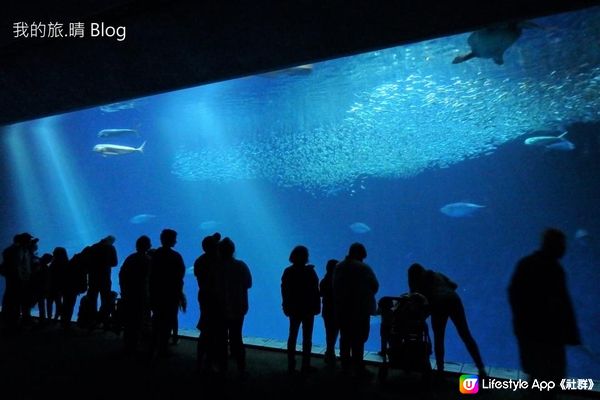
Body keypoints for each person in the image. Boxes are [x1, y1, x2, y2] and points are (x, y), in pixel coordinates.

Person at [508, 228, 580, 397]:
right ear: (553, 245)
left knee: (539, 379)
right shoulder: (554, 270)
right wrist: (571, 333)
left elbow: (514, 295)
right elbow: (564, 304)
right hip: (547, 337)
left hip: (534, 335)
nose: (564, 248)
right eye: (562, 245)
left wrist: (521, 325)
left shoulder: (527, 264)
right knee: (547, 379)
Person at [408, 263, 486, 377]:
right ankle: (481, 368)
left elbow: (419, 304)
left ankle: (440, 371)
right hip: (454, 299)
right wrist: (443, 288)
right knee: (465, 334)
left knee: (439, 338)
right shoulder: (437, 274)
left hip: (438, 303)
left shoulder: (418, 285)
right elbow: (454, 285)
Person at [333, 243, 379, 377]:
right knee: (359, 339)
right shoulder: (364, 267)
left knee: (345, 337)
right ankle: (358, 366)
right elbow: (375, 286)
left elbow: (335, 287)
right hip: (360, 310)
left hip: (342, 309)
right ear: (361, 255)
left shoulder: (339, 266)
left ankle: (345, 366)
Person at [281, 245, 320, 374]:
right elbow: (315, 290)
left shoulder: (288, 271)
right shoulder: (310, 272)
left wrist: (285, 306)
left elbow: (285, 291)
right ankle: (305, 365)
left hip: (294, 308)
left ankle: (291, 365)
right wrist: (317, 306)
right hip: (308, 308)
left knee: (292, 336)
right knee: (307, 338)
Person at [149, 229, 185, 358]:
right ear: (170, 240)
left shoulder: (155, 254)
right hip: (171, 294)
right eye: (174, 238)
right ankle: (163, 348)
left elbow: (151, 276)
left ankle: (152, 346)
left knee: (157, 319)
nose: (176, 241)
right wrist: (180, 294)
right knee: (168, 320)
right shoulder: (176, 256)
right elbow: (179, 277)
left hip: (157, 293)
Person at [219, 237, 252, 375]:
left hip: (220, 307)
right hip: (239, 306)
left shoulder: (216, 266)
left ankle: (222, 369)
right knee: (237, 338)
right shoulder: (241, 265)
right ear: (233, 250)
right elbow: (249, 284)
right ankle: (241, 368)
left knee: (220, 339)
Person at [119, 235, 152, 354]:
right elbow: (152, 279)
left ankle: (128, 344)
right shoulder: (148, 260)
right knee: (141, 319)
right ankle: (137, 345)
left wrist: (123, 290)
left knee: (130, 320)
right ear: (148, 246)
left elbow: (122, 275)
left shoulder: (130, 258)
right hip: (142, 294)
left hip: (129, 293)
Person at [87, 235, 118, 328]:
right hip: (105, 278)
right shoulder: (111, 248)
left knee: (92, 298)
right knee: (105, 299)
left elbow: (88, 261)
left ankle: (91, 321)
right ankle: (104, 321)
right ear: (111, 241)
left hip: (93, 278)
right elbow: (115, 263)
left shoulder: (94, 247)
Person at [319, 258, 339, 365]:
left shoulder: (324, 280)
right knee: (335, 332)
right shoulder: (338, 281)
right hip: (337, 310)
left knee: (329, 332)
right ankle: (330, 353)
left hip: (327, 310)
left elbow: (321, 294)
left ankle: (329, 352)